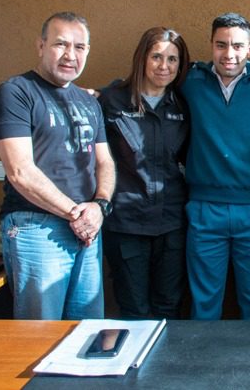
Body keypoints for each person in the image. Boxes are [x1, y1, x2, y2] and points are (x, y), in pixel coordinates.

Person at [0, 11, 115, 320]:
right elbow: (20, 171)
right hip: (36, 228)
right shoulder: (15, 93)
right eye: (60, 44)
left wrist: (100, 206)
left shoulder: (89, 102)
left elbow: (105, 161)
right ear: (41, 45)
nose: (70, 55)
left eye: (79, 47)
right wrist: (76, 214)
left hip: (87, 230)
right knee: (39, 334)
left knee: (86, 333)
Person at [181, 12, 250, 320]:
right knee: (204, 301)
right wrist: (100, 94)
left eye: (237, 46)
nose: (229, 54)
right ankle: (204, 353)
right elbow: (146, 83)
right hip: (204, 207)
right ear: (211, 45)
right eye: (221, 45)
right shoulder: (190, 80)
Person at [98, 27, 191, 319]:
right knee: (134, 310)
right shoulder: (111, 101)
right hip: (127, 224)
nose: (164, 66)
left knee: (169, 306)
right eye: (156, 57)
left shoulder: (183, 104)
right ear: (142, 58)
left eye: (172, 59)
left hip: (171, 222)